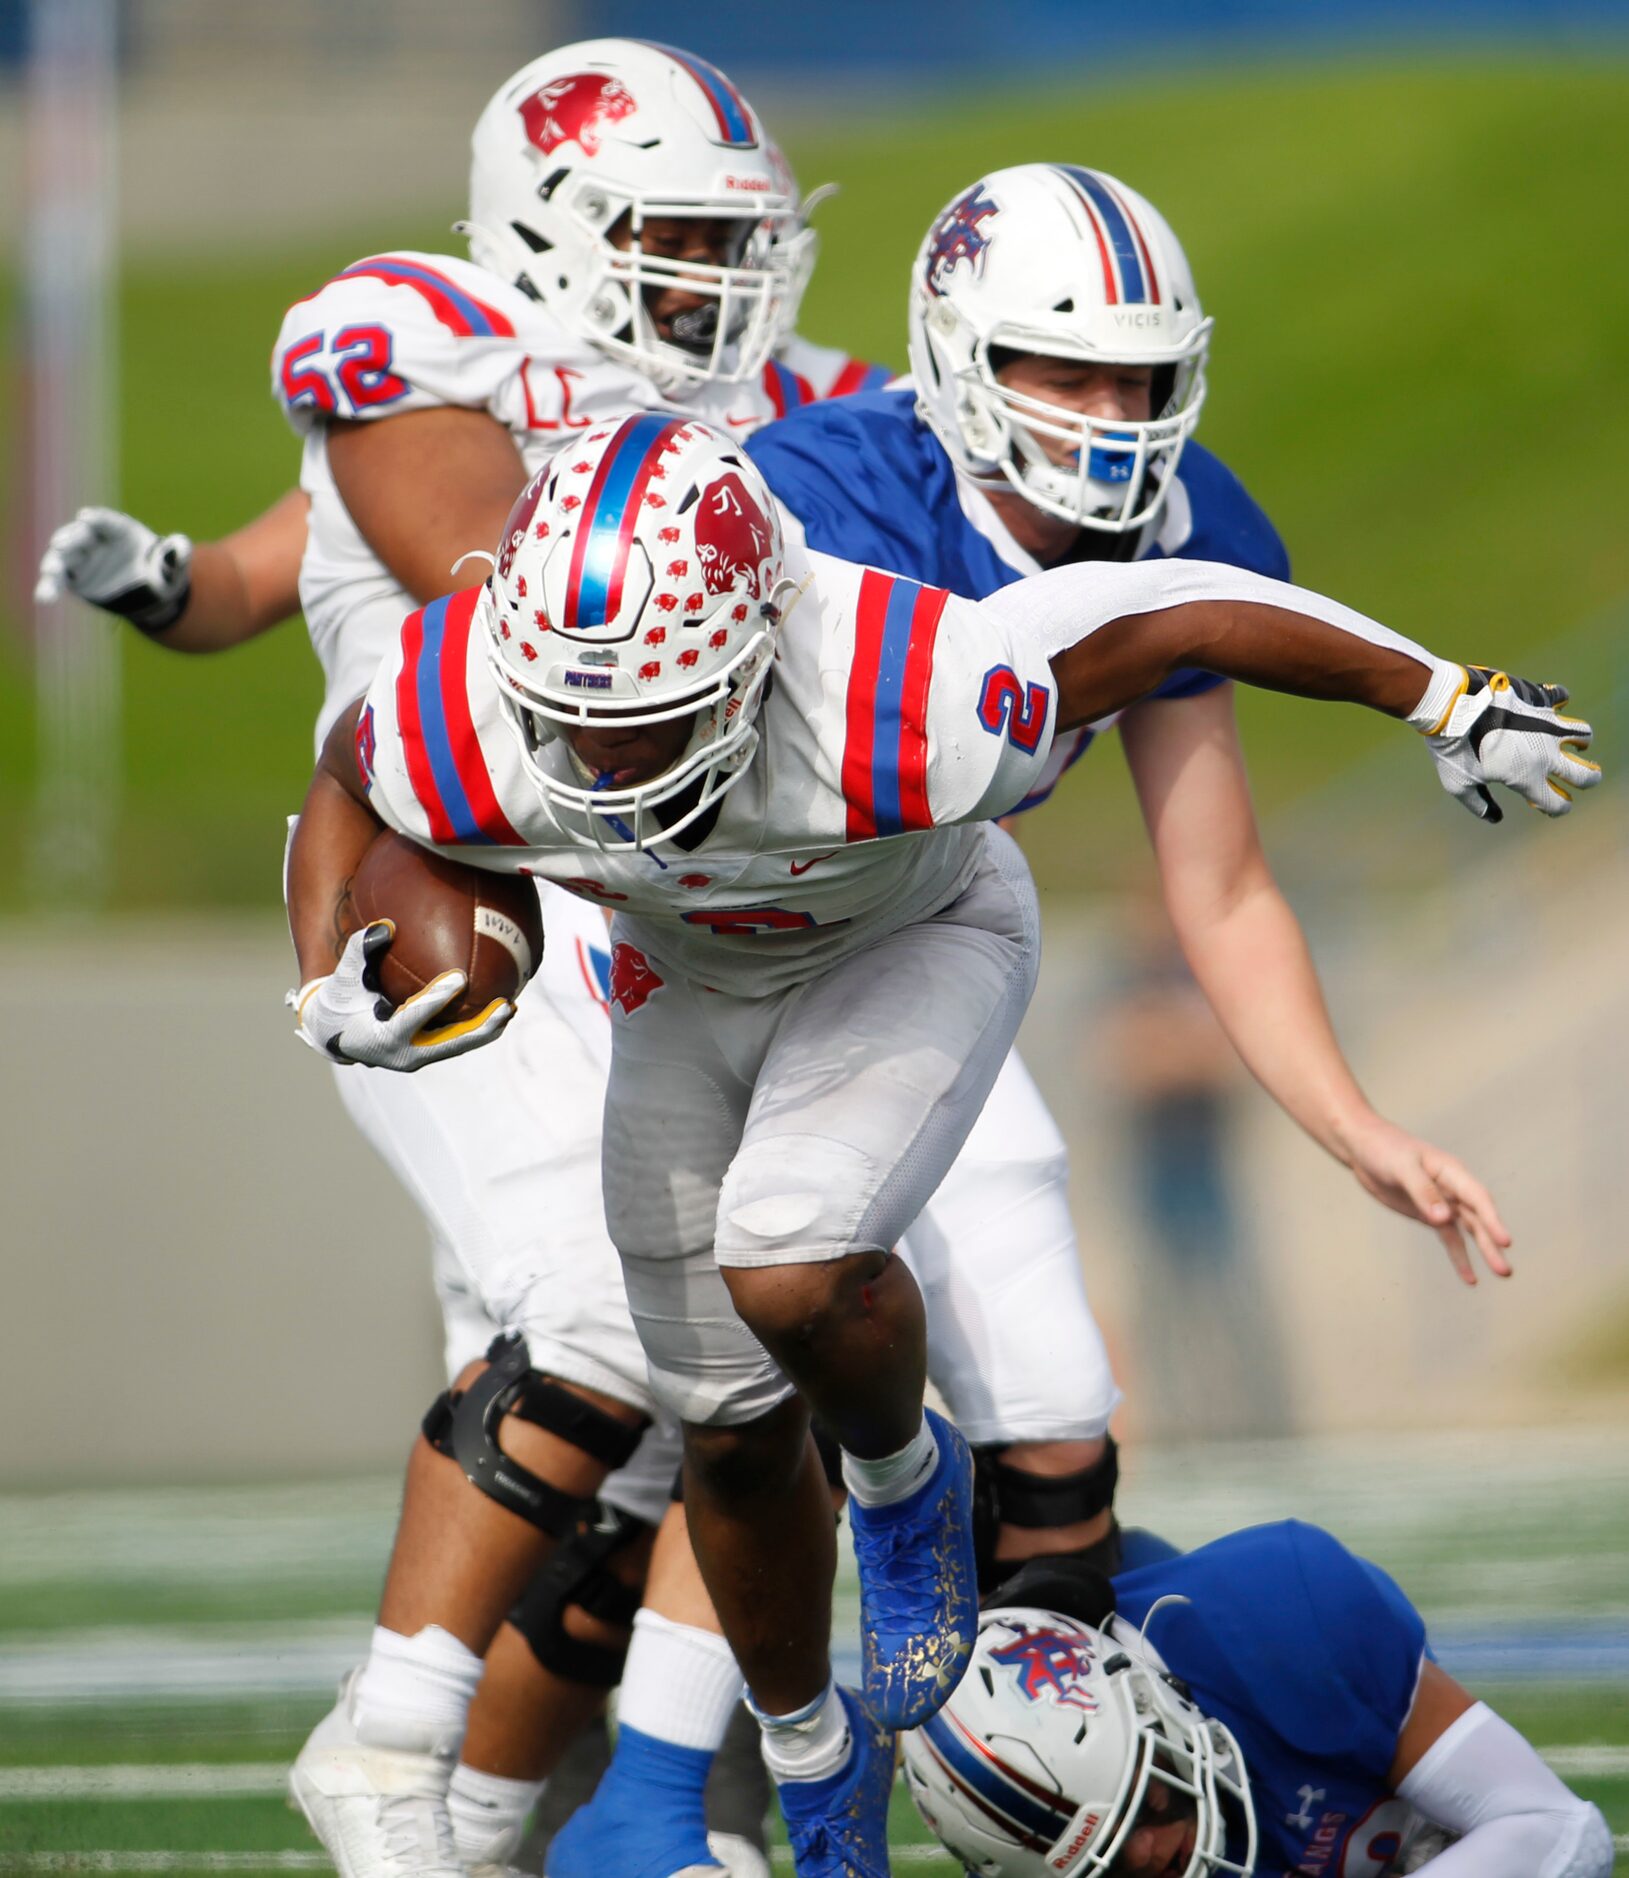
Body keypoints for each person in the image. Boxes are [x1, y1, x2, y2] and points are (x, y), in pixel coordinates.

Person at [284, 410, 1596, 1874]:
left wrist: (1441, 693)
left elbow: (1184, 605)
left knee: (784, 1261)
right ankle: (814, 1760)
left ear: (756, 645)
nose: (602, 745)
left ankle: (905, 1487)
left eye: (650, 709)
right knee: (719, 1421)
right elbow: (344, 779)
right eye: (572, 708)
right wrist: (334, 971)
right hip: (682, 983)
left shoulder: (911, 685)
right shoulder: (466, 700)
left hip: (910, 936)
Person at [35, 37, 886, 1878]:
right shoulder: (425, 347)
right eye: (670, 238)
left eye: (731, 241)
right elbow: (424, 586)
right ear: (554, 228)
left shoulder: (744, 402)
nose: (716, 283)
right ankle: (391, 1742)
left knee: (655, 1420)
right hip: (446, 897)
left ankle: (491, 1821)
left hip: (644, 919)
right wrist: (162, 587)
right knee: (605, 1316)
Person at [903, 1525, 1613, 1877]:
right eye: (1111, 1862)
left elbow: (1559, 1829)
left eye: (1146, 1798)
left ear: (1149, 1706)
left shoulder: (1287, 1616)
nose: (1155, 1852)